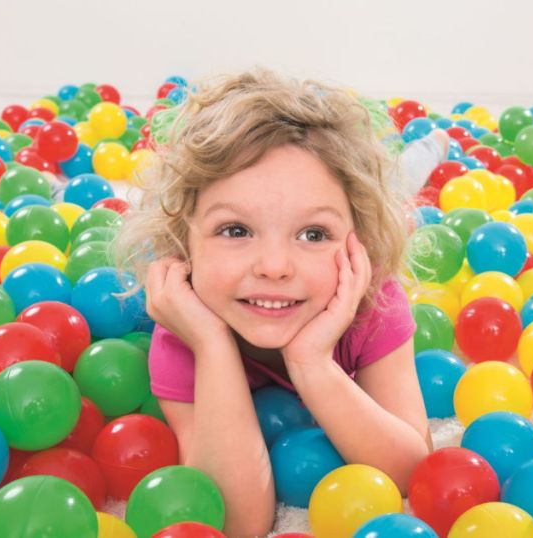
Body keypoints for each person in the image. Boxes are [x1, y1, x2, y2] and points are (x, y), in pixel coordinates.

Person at [115, 68, 444, 537]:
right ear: (183, 244)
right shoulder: (184, 329)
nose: (274, 266)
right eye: (236, 230)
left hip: (384, 199)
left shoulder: (374, 301)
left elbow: (412, 470)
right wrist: (212, 346)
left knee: (401, 180)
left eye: (314, 234)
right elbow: (238, 521)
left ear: (357, 246)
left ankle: (433, 145)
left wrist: (311, 363)